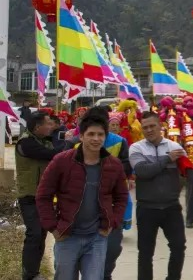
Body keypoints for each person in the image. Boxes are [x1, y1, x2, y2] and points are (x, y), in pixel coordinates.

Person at [35, 113, 129, 280]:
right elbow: (43, 195)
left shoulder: (113, 165)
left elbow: (121, 196)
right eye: (91, 134)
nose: (96, 139)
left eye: (100, 135)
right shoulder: (62, 161)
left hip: (97, 238)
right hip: (67, 236)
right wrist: (53, 226)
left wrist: (112, 221)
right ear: (81, 136)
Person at [129, 112, 193, 280]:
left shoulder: (174, 148)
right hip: (147, 209)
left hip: (171, 208)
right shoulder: (136, 148)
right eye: (145, 127)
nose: (149, 130)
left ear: (161, 126)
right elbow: (143, 171)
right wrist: (167, 159)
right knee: (145, 252)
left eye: (152, 126)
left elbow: (191, 172)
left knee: (178, 247)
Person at [15, 111, 65, 280]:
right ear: (37, 127)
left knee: (41, 233)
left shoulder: (43, 141)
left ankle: (33, 272)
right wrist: (69, 141)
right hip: (29, 196)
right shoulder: (26, 143)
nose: (52, 127)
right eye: (48, 124)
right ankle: (29, 274)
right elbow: (51, 155)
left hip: (44, 197)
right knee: (34, 234)